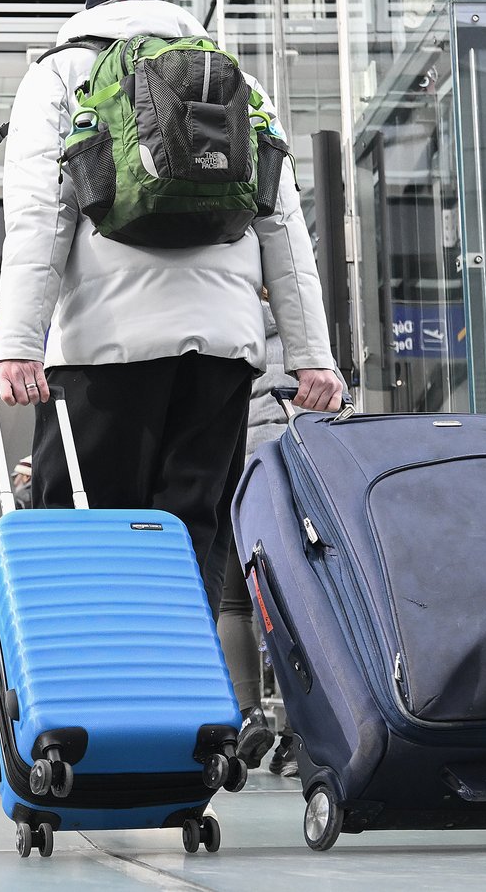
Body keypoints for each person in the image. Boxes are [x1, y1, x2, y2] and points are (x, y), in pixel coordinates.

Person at [0, 0, 343, 614]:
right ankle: (183, 675)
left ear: (91, 8)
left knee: (86, 538)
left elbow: (41, 215)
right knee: (191, 538)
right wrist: (311, 356)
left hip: (104, 348)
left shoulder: (59, 73)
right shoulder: (234, 79)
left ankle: (95, 677)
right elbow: (282, 224)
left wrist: (17, 343)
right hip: (221, 353)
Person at [215, 298, 295, 775]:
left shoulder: (219, 331)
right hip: (290, 478)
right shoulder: (303, 336)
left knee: (233, 605)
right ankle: (300, 735)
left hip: (233, 477)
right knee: (297, 607)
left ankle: (249, 715)